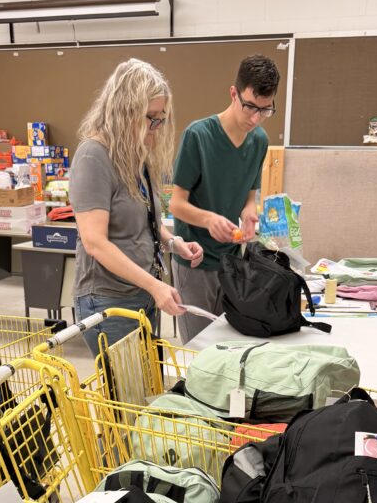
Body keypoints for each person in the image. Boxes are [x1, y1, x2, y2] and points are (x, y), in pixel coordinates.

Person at [71, 58, 202, 356]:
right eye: (150, 117)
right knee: (123, 397)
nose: (156, 127)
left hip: (140, 293)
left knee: (143, 389)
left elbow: (143, 223)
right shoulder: (94, 156)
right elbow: (95, 243)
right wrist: (156, 287)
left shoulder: (134, 155)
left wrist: (174, 243)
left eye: (161, 118)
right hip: (109, 300)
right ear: (123, 111)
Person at [168, 54, 280, 342]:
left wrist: (249, 214)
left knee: (227, 349)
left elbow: (249, 197)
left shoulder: (259, 141)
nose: (255, 118)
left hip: (231, 261)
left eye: (265, 110)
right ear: (233, 93)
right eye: (250, 107)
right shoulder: (199, 136)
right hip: (194, 261)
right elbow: (176, 204)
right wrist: (208, 219)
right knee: (199, 351)